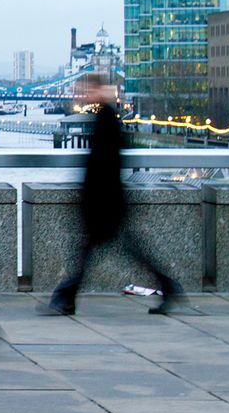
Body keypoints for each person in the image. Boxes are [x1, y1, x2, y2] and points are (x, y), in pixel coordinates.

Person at [39, 74, 185, 316]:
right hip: (107, 201)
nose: (83, 95)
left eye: (87, 90)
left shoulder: (106, 119)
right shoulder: (105, 117)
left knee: (92, 253)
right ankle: (67, 298)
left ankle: (66, 297)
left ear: (98, 90)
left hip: (105, 203)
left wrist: (90, 198)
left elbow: (104, 165)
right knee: (108, 252)